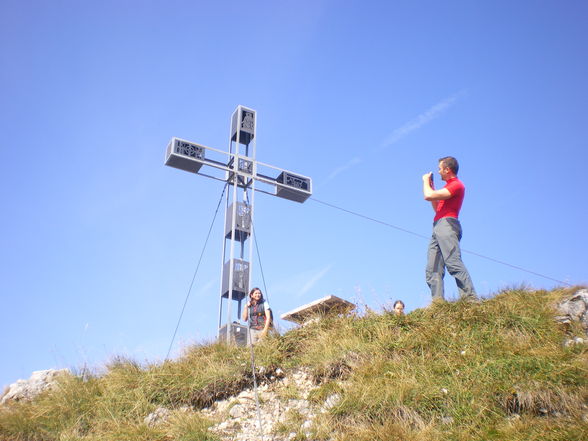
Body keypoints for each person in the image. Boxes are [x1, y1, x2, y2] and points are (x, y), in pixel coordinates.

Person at [422, 156, 478, 302]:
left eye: (440, 168)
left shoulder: (456, 185)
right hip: (438, 225)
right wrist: (432, 186)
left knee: (453, 262)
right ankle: (438, 302)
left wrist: (425, 182)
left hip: (447, 224)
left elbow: (427, 195)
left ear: (447, 169)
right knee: (432, 268)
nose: (439, 171)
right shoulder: (447, 187)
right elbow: (437, 207)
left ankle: (470, 299)